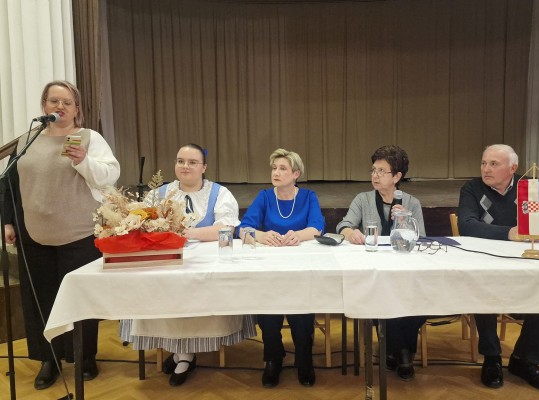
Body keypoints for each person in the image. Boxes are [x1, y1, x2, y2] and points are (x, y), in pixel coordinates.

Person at [3, 80, 120, 389]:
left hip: (78, 236)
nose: (60, 106)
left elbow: (110, 175)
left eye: (67, 102)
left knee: (80, 300)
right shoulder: (28, 140)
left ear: (76, 108)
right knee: (41, 301)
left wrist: (83, 160)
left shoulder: (87, 137)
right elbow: (10, 183)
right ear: (44, 106)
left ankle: (84, 357)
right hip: (34, 235)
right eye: (54, 101)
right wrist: (8, 222)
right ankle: (48, 360)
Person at [119, 143, 256, 386]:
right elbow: (143, 225)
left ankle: (185, 353)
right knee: (162, 290)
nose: (185, 166)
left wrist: (187, 233)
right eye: (180, 161)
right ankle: (179, 351)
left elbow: (226, 229)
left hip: (206, 261)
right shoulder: (159, 194)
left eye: (192, 162)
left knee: (193, 289)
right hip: (168, 261)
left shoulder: (219, 193)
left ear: (204, 167)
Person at [458, 144, 539, 392]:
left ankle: (526, 360)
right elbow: (467, 225)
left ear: (513, 168)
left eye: (494, 164)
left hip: (527, 260)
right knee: (482, 285)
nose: (486, 169)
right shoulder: (472, 189)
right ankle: (491, 357)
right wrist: (510, 233)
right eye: (484, 163)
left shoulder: (530, 187)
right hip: (487, 260)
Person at [336, 144, 427, 381]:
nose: (375, 176)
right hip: (374, 271)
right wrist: (350, 233)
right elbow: (343, 225)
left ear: (397, 176)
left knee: (418, 298)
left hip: (405, 271)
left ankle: (394, 351)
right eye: (373, 170)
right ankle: (404, 354)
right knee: (385, 295)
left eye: (381, 171)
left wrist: (405, 221)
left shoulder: (411, 203)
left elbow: (422, 239)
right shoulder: (363, 199)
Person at [239, 148, 325, 388]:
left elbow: (317, 227)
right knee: (268, 311)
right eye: (274, 168)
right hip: (270, 269)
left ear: (296, 174)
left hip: (300, 268)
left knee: (302, 310)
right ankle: (273, 358)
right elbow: (243, 229)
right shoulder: (265, 196)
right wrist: (262, 236)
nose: (276, 172)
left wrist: (298, 235)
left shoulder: (308, 196)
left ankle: (304, 359)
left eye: (282, 168)